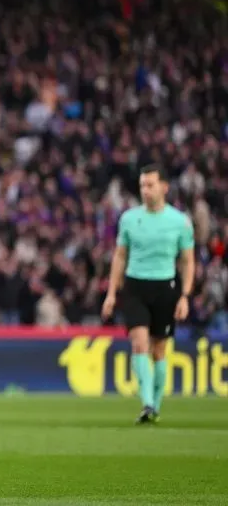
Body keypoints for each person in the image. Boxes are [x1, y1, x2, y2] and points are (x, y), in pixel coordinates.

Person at [102, 165, 195, 424]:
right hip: (135, 286)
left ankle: (156, 404)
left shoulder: (180, 222)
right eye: (142, 185)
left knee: (159, 350)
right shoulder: (129, 219)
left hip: (165, 287)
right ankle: (147, 403)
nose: (145, 190)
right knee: (139, 343)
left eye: (150, 185)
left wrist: (185, 295)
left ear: (164, 187)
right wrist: (111, 292)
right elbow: (120, 256)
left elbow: (188, 261)